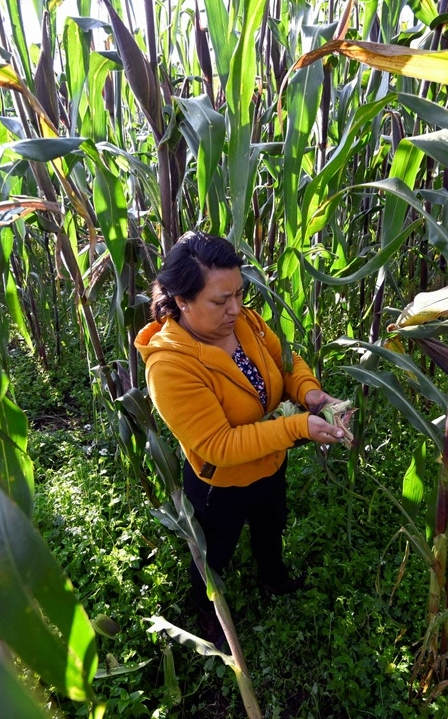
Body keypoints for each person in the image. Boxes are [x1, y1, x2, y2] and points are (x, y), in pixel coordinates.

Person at [134, 232, 344, 644]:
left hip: (269, 462)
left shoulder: (244, 321)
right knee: (213, 553)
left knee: (272, 524)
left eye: (238, 294)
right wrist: (299, 427)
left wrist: (310, 393)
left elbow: (286, 362)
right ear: (182, 300)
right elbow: (219, 446)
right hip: (220, 485)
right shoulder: (170, 367)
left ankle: (273, 577)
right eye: (219, 300)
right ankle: (207, 609)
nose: (235, 308)